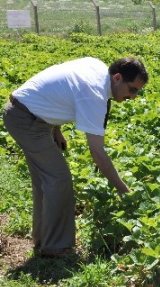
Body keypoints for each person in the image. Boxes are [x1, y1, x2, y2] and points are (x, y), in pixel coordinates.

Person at [3, 57, 148, 257]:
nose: (133, 96)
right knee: (58, 179)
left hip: (27, 113)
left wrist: (56, 130)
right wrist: (124, 190)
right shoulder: (95, 95)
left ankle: (43, 239)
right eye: (132, 89)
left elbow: (61, 88)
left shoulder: (96, 66)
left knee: (46, 180)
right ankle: (55, 247)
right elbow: (97, 151)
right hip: (26, 121)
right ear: (117, 78)